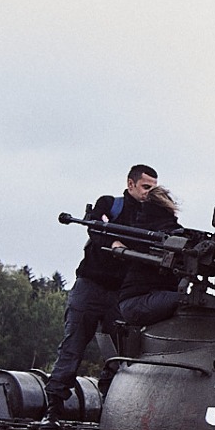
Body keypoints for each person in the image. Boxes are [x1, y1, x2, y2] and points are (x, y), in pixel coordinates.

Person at [45, 164, 163, 404]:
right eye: (145, 187)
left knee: (121, 355)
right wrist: (115, 244)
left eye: (153, 189)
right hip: (90, 286)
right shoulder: (110, 205)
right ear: (131, 184)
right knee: (72, 347)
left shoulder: (152, 217)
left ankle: (109, 405)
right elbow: (96, 229)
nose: (148, 193)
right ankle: (53, 406)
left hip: (121, 294)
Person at [114, 185, 185, 327]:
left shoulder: (146, 229)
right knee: (187, 302)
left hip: (141, 301)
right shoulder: (151, 233)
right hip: (137, 301)